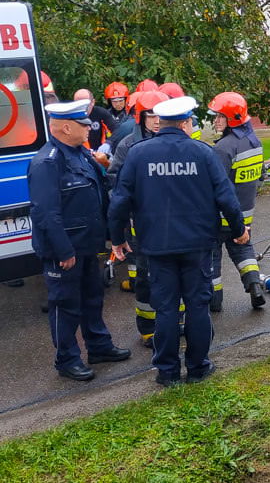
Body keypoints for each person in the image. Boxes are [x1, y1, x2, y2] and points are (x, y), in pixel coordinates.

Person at [108, 96, 249, 386]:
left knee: (166, 308)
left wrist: (116, 238)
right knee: (197, 306)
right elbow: (226, 197)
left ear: (159, 122)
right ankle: (198, 367)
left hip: (156, 247)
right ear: (186, 122)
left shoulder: (138, 153)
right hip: (197, 245)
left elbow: (120, 201)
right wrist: (239, 230)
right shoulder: (203, 153)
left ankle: (168, 372)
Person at [28, 99, 131, 381]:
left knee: (92, 298)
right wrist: (63, 250)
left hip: (87, 245)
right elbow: (46, 214)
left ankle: (99, 346)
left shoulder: (82, 155)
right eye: (83, 124)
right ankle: (67, 359)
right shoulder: (47, 163)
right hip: (65, 250)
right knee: (65, 305)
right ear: (64, 127)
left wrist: (112, 237)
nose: (89, 128)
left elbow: (99, 198)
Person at [107, 90, 176, 347]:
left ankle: (175, 322)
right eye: (151, 115)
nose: (157, 120)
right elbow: (114, 184)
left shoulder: (174, 142)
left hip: (171, 221)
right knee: (145, 278)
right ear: (141, 117)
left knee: (173, 276)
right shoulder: (128, 146)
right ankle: (148, 327)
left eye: (160, 114)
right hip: (142, 223)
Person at [207, 92, 266, 311]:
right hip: (245, 214)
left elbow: (216, 186)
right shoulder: (254, 141)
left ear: (231, 119)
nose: (216, 120)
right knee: (243, 250)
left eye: (220, 116)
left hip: (220, 216)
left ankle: (215, 302)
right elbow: (259, 178)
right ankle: (255, 286)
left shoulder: (223, 148)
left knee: (212, 256)